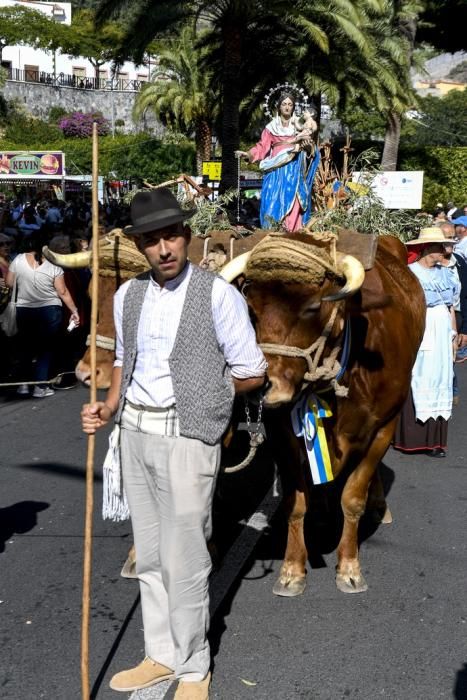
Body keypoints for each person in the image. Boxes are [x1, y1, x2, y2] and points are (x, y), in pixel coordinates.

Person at [81, 188, 267, 698]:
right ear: (140, 246)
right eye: (151, 240)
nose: (163, 249)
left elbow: (252, 371)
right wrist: (108, 405)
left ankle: (192, 666)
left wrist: (210, 390)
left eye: (170, 237)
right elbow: (125, 359)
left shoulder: (217, 294)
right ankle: (160, 654)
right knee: (152, 558)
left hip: (189, 437)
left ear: (185, 237)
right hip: (136, 435)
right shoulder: (127, 296)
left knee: (185, 558)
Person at [393, 227, 459, 457]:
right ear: (428, 249)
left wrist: (453, 335)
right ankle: (412, 438)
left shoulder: (446, 274)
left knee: (441, 376)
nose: (444, 251)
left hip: (442, 331)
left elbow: (450, 306)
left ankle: (435, 440)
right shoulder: (411, 273)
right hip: (422, 326)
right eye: (440, 247)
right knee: (420, 375)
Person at [6, 231, 80, 397]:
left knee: (25, 347)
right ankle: (40, 387)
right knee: (45, 349)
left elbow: (10, 283)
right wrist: (74, 310)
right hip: (49, 309)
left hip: (24, 309)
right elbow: (62, 291)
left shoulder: (18, 260)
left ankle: (23, 385)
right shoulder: (53, 264)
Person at [235, 89, 320, 231]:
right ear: (279, 107)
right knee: (271, 201)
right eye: (284, 104)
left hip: (293, 169)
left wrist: (308, 148)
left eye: (290, 104)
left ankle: (292, 233)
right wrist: (249, 154)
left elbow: (310, 146)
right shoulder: (271, 128)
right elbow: (262, 147)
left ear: (293, 107)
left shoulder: (299, 127)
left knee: (295, 202)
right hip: (275, 170)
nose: (287, 107)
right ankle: (274, 231)